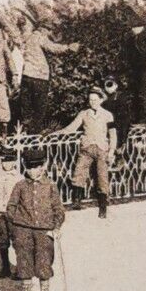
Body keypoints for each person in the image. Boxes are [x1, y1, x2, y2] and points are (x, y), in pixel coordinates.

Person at [4, 147, 65, 291]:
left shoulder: (51, 186)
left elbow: (59, 209)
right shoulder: (20, 186)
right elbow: (10, 207)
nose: (33, 170)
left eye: (37, 166)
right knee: (24, 264)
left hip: (44, 232)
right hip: (23, 231)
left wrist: (56, 226)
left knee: (44, 265)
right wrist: (18, 223)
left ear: (44, 165)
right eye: (29, 167)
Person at [59, 86, 117, 218]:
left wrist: (112, 151)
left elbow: (113, 134)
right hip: (87, 148)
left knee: (102, 177)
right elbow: (72, 127)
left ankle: (103, 207)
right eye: (91, 100)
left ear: (101, 100)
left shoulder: (107, 115)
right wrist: (59, 132)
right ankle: (77, 201)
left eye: (95, 100)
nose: (93, 102)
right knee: (79, 172)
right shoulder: (84, 114)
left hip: (102, 148)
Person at [15, 18, 80, 133]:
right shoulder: (40, 37)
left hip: (26, 76)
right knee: (39, 109)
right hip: (39, 77)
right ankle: (34, 135)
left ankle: (26, 130)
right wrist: (69, 47)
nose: (50, 34)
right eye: (49, 30)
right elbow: (53, 48)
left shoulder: (28, 37)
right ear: (44, 29)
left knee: (27, 109)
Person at [0, 145, 22, 279]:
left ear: (14, 161)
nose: (7, 163)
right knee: (2, 240)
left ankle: (20, 269)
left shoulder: (18, 177)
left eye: (10, 160)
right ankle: (5, 267)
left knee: (17, 240)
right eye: (5, 160)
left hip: (13, 213)